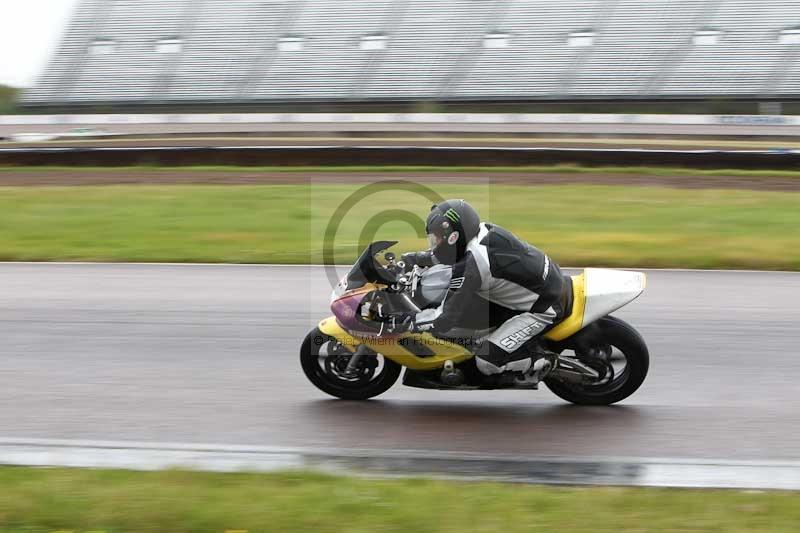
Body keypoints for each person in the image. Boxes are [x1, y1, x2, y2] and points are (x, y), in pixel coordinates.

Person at [401, 199, 572, 382]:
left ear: (454, 237)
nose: (435, 243)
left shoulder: (472, 265)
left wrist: (408, 321)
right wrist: (417, 258)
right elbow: (451, 254)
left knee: (486, 361)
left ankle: (542, 359)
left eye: (438, 238)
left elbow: (444, 319)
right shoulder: (481, 231)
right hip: (548, 281)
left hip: (545, 307)